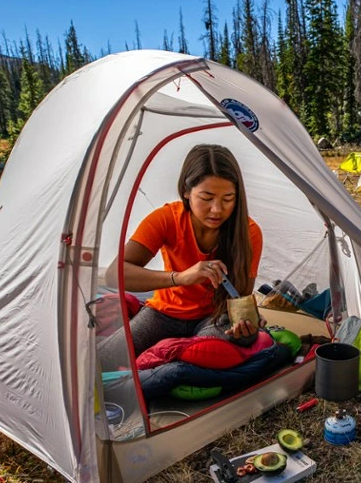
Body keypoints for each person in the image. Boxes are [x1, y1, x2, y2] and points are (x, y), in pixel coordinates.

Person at [98, 144, 263, 371]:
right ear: (186, 191)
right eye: (207, 197)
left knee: (216, 348)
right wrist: (180, 278)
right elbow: (113, 276)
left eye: (228, 199)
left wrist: (246, 324)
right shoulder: (167, 219)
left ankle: (165, 359)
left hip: (214, 317)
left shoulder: (248, 232)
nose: (216, 209)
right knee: (101, 361)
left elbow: (241, 298)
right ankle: (164, 359)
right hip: (164, 313)